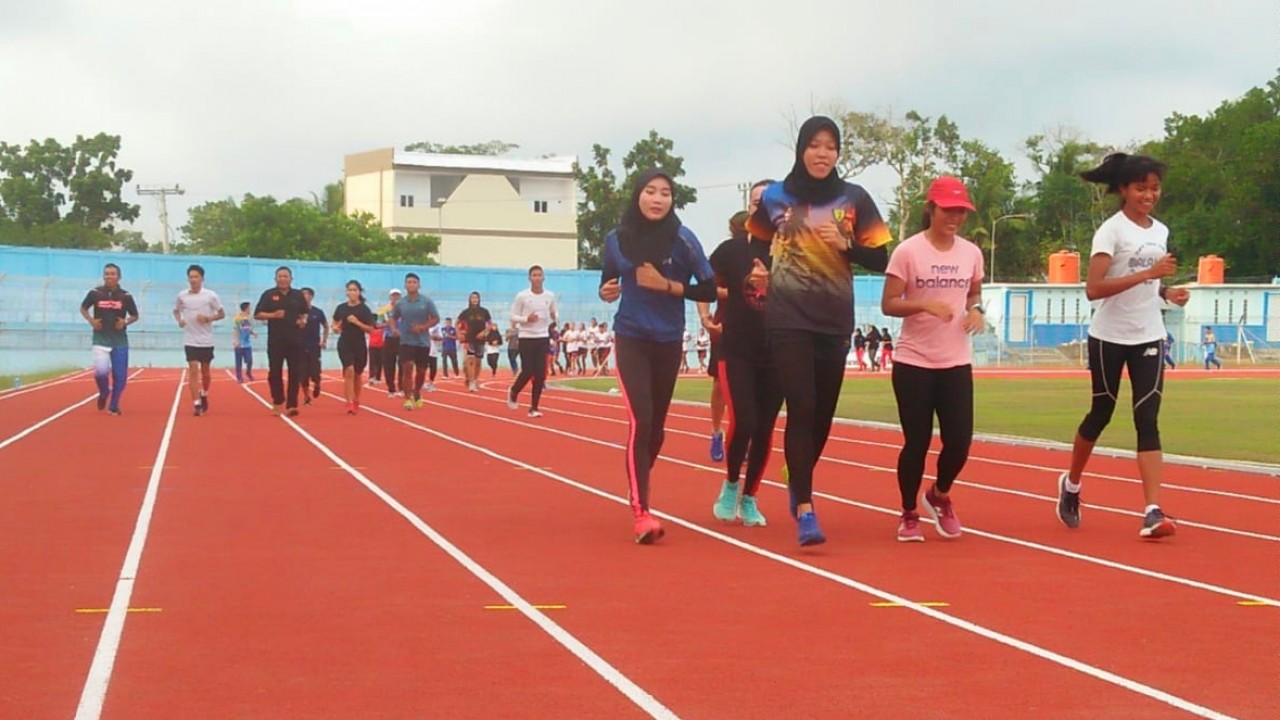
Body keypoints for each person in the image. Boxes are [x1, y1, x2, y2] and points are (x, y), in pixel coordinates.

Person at [746, 116, 892, 546]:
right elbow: (754, 244)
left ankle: (800, 475)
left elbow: (883, 258)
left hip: (833, 318)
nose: (822, 153)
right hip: (788, 315)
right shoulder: (776, 195)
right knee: (803, 405)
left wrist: (848, 245)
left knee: (823, 416)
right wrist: (757, 270)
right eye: (814, 145)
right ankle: (806, 509)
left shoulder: (855, 198)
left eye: (830, 146)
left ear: (838, 154)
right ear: (801, 149)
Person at [1056, 152, 1190, 539]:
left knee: (1147, 419)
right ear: (1122, 190)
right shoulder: (1110, 231)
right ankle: (1072, 484)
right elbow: (1094, 288)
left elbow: (1146, 284)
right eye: (1141, 188)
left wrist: (1166, 292)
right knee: (1101, 412)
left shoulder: (1159, 231)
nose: (1149, 194)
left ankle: (1152, 509)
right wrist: (1150, 273)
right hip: (1109, 336)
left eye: (1154, 188)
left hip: (1148, 333)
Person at [599, 168, 719, 544]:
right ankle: (642, 511)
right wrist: (607, 290)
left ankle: (639, 480)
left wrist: (669, 286)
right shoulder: (616, 240)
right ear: (637, 195)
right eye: (650, 191)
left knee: (657, 431)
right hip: (631, 336)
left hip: (668, 341)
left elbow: (711, 288)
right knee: (642, 420)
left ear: (673, 200)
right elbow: (607, 279)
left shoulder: (683, 240)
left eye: (665, 193)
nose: (657, 199)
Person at [881, 176, 986, 542]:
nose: (954, 217)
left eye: (961, 211)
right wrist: (924, 303)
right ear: (932, 209)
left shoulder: (971, 253)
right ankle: (909, 511)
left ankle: (939, 495)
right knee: (917, 441)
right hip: (914, 362)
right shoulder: (908, 252)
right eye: (948, 210)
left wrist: (977, 310)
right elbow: (889, 303)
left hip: (956, 361)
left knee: (960, 441)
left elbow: (974, 291)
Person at [709, 206, 783, 529]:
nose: (763, 209)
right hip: (737, 349)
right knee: (745, 420)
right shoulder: (731, 250)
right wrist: (705, 317)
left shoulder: (791, 251)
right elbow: (703, 283)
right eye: (756, 202)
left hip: (778, 350)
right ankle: (731, 484)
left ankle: (750, 497)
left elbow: (808, 294)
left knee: (765, 427)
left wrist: (772, 285)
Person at [80, 262, 139, 415]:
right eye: (107, 274)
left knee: (120, 376)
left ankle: (113, 405)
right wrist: (91, 321)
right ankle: (104, 391)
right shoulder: (95, 293)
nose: (109, 276)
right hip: (101, 339)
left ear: (118, 277)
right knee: (100, 372)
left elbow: (135, 315)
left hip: (120, 340)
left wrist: (125, 322)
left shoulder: (126, 296)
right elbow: (83, 308)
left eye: (112, 274)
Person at [254, 266, 309, 416]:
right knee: (274, 373)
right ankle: (278, 401)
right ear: (275, 279)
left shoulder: (297, 295)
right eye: (280, 276)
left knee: (294, 373)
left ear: (291, 279)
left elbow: (304, 313)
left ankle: (292, 404)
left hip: (295, 340)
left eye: (285, 276)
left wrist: (302, 321)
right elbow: (257, 314)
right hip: (276, 341)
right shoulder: (269, 295)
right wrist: (273, 315)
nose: (283, 279)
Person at [173, 264, 225, 416]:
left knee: (206, 373)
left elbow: (222, 313)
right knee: (193, 370)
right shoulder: (182, 296)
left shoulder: (210, 296)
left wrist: (208, 318)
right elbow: (176, 311)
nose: (193, 280)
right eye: (191, 277)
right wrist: (180, 320)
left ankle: (204, 393)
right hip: (190, 339)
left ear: (202, 278)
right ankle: (196, 403)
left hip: (206, 339)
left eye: (196, 277)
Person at [507, 264, 559, 417]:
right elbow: (512, 316)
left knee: (540, 374)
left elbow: (554, 311)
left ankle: (534, 408)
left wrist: (556, 317)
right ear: (529, 278)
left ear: (544, 278)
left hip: (542, 336)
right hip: (526, 336)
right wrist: (526, 319)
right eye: (534, 275)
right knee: (528, 370)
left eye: (539, 275)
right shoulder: (522, 296)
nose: (537, 278)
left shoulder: (550, 296)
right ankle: (514, 391)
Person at [391, 272, 440, 409]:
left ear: (419, 285)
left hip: (423, 342)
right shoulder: (401, 303)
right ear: (405, 285)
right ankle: (407, 398)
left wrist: (423, 327)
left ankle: (417, 391)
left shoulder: (426, 302)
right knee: (408, 367)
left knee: (421, 371)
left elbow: (436, 318)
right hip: (406, 341)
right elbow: (393, 317)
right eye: (409, 282)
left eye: (414, 282)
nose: (411, 284)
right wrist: (394, 329)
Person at [332, 280, 377, 414]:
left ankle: (356, 399)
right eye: (350, 290)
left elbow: (371, 329)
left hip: (359, 344)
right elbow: (335, 322)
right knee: (349, 371)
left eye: (355, 290)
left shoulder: (364, 309)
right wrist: (335, 328)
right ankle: (349, 402)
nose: (352, 292)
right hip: (345, 343)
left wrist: (357, 322)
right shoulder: (341, 308)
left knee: (357, 374)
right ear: (346, 292)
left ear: (359, 292)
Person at [458, 292, 492, 392]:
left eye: (476, 297)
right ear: (469, 299)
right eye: (472, 298)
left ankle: (475, 379)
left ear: (479, 299)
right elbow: (457, 323)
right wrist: (459, 333)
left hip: (481, 339)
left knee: (478, 361)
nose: (474, 299)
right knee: (470, 360)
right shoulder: (466, 312)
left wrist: (485, 332)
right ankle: (471, 382)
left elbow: (490, 324)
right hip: (470, 338)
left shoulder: (484, 311)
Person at [300, 288, 329, 404]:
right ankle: (306, 396)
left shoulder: (318, 312)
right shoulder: (296, 312)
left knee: (315, 372)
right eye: (302, 295)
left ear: (312, 296)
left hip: (314, 346)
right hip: (300, 347)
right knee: (302, 374)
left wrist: (324, 341)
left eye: (307, 294)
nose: (305, 297)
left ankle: (317, 384)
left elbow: (326, 326)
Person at [379, 289, 402, 396]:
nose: (396, 298)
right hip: (389, 338)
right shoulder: (383, 310)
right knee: (389, 364)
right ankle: (391, 389)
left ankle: (402, 388)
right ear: (390, 297)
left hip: (403, 339)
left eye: (398, 296)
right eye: (394, 296)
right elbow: (377, 324)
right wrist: (389, 323)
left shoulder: (405, 309)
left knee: (403, 364)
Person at [231, 301, 257, 383]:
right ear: (246, 308)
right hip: (239, 343)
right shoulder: (238, 318)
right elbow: (235, 330)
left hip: (247, 343)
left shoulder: (249, 318)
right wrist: (236, 342)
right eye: (249, 308)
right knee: (238, 362)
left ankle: (248, 372)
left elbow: (247, 329)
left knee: (249, 360)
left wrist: (253, 333)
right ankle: (239, 377)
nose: (250, 309)